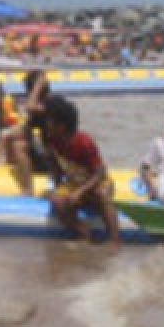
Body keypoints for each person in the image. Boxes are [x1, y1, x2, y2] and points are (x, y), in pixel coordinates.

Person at [43, 95, 119, 245]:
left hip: (95, 183)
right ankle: (83, 232)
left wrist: (80, 192)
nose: (46, 124)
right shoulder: (51, 140)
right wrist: (58, 188)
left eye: (50, 121)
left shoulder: (83, 142)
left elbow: (100, 172)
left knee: (102, 195)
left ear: (61, 126)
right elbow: (54, 166)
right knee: (55, 200)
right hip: (74, 184)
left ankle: (114, 239)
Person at [2, 69, 51, 195]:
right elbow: (25, 131)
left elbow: (29, 107)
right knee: (9, 137)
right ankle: (6, 170)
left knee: (19, 146)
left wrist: (37, 86)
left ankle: (28, 190)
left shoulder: (52, 104)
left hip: (55, 158)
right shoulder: (38, 109)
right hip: (45, 153)